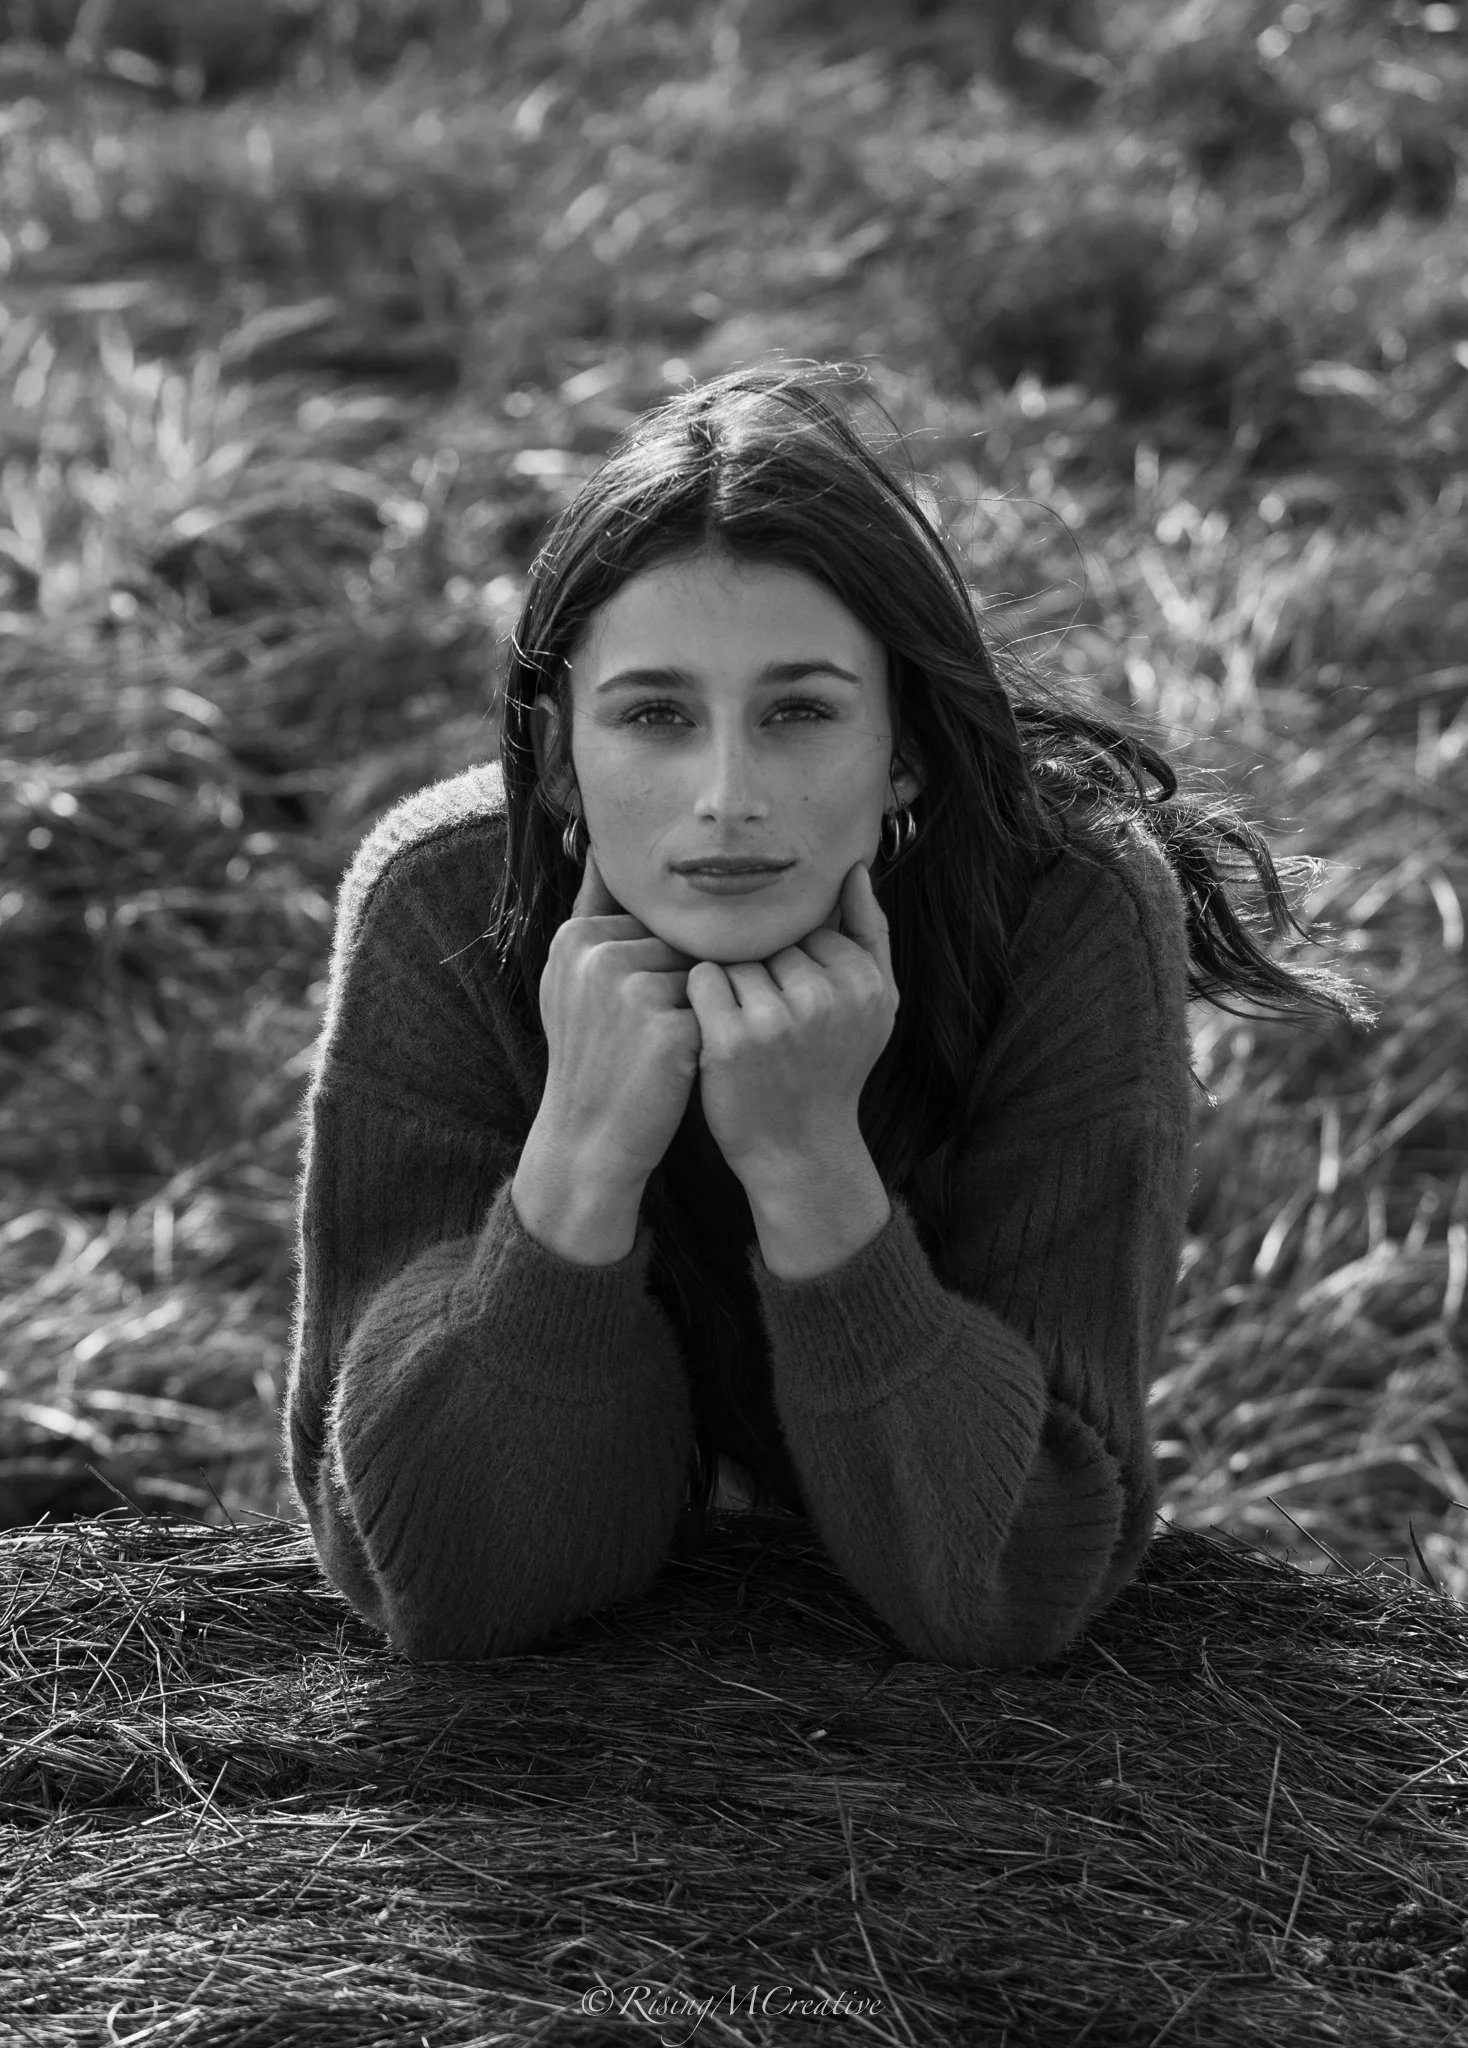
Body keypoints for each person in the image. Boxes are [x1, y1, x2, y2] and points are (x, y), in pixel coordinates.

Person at [283, 363, 1365, 1668]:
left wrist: (808, 1165)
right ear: (562, 757)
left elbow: (1013, 1579)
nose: (727, 794)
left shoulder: (1064, 916)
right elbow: (444, 1591)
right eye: (656, 716)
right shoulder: (440, 906)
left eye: (799, 712)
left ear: (904, 744)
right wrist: (578, 1157)